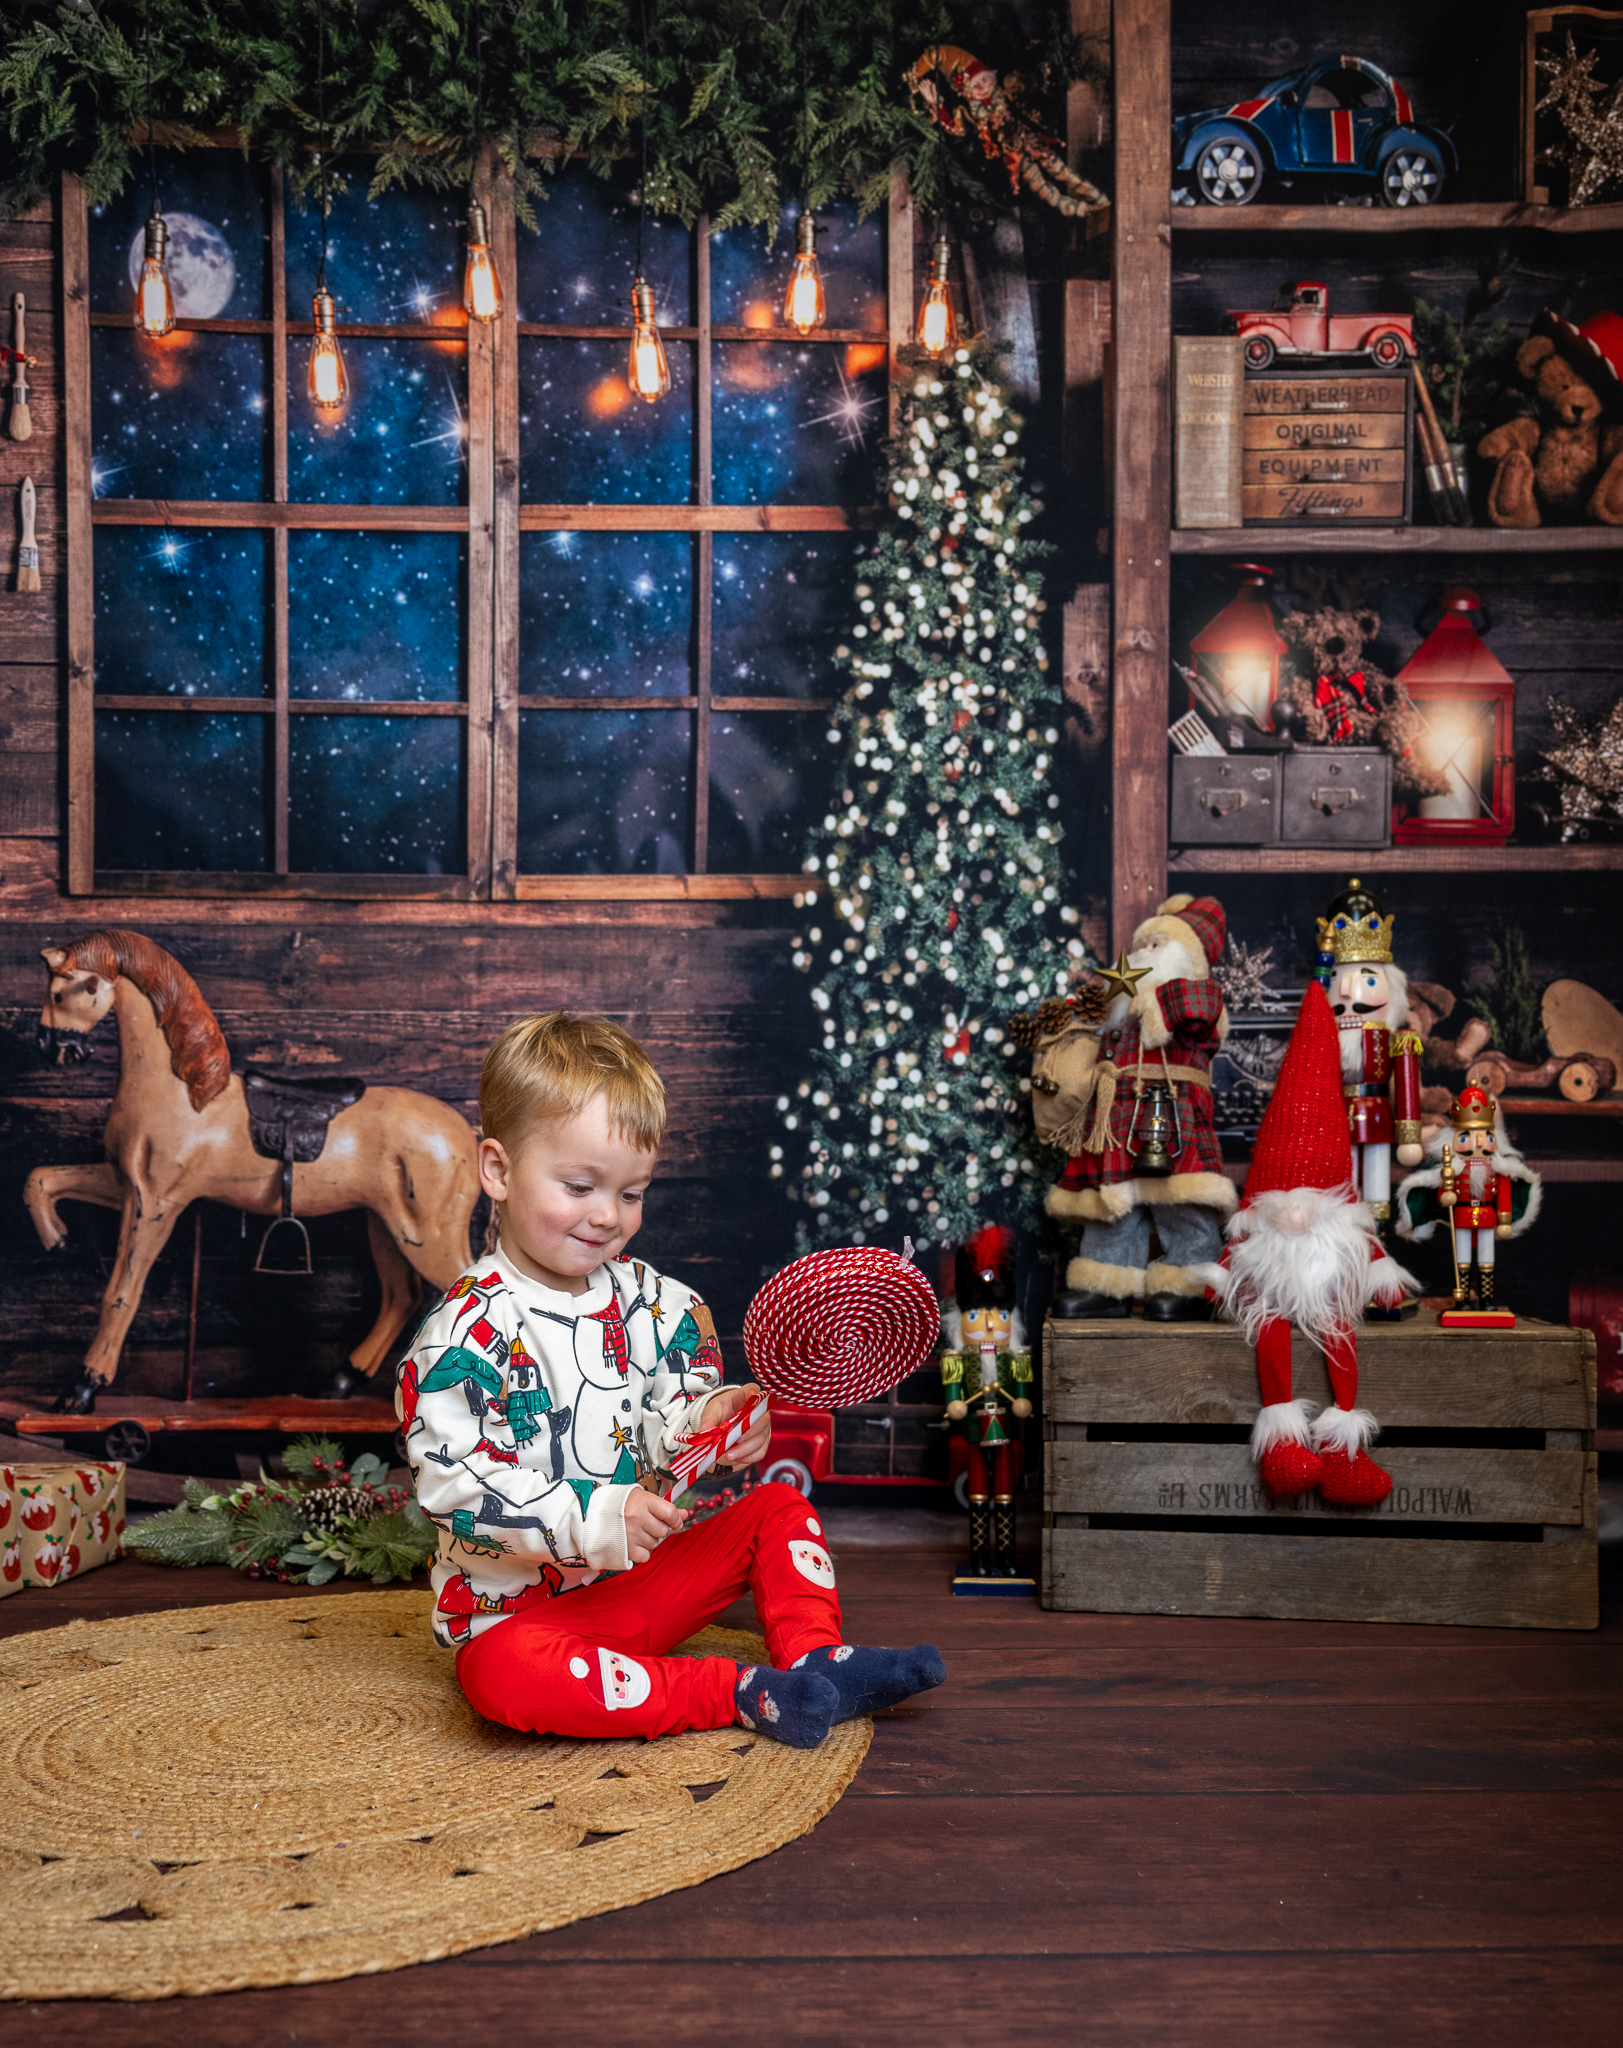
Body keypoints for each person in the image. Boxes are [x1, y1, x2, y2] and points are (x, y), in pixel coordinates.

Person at [397, 1010, 945, 1750]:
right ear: (496, 1169)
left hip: (651, 1584)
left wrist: (714, 1416)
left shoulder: (661, 1304)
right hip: (524, 1617)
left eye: (630, 1193)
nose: (606, 1217)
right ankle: (739, 1692)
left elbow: (670, 1418)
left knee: (777, 1507)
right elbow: (455, 1490)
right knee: (499, 1676)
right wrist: (598, 1515)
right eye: (580, 1185)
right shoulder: (460, 1336)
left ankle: (817, 1659)